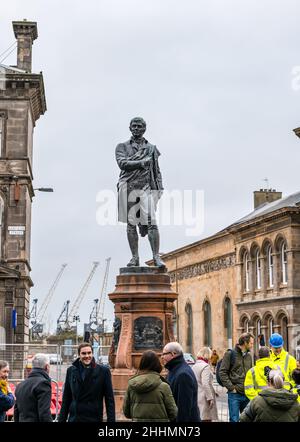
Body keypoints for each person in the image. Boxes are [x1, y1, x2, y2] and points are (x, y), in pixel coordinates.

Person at [115, 117, 165, 267]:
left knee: (152, 222)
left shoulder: (151, 148)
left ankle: (156, 257)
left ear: (144, 129)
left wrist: (159, 189)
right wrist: (141, 163)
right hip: (128, 186)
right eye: (134, 126)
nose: (136, 128)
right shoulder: (122, 147)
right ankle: (134, 258)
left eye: (139, 126)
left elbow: (157, 171)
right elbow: (122, 163)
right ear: (130, 128)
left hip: (146, 187)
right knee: (131, 224)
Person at [59, 342, 115, 422]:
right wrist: (61, 420)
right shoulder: (71, 371)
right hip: (75, 418)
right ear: (79, 355)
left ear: (92, 354)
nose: (87, 356)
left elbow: (109, 400)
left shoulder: (103, 371)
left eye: (89, 353)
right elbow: (66, 399)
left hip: (93, 418)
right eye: (83, 353)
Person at [123, 350, 177, 422]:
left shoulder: (132, 385)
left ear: (141, 363)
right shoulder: (164, 386)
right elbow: (173, 413)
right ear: (157, 364)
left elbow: (126, 413)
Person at [219, 332, 254, 422]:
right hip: (235, 395)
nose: (252, 345)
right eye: (251, 343)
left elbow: (251, 373)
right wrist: (231, 388)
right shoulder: (230, 354)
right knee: (234, 420)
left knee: (247, 420)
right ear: (245, 343)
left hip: (247, 394)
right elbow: (222, 372)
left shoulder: (249, 356)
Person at [161, 342, 200, 422]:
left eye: (164, 354)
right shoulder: (174, 369)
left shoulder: (183, 374)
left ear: (173, 354)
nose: (162, 357)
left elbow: (184, 408)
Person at [14, 353, 52, 422]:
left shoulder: (20, 385)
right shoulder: (43, 384)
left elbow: (16, 412)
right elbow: (44, 413)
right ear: (47, 367)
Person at [192, 347, 218, 421]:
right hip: (205, 398)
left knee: (200, 418)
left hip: (197, 396)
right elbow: (205, 383)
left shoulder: (195, 365)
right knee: (206, 419)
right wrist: (210, 398)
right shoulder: (205, 366)